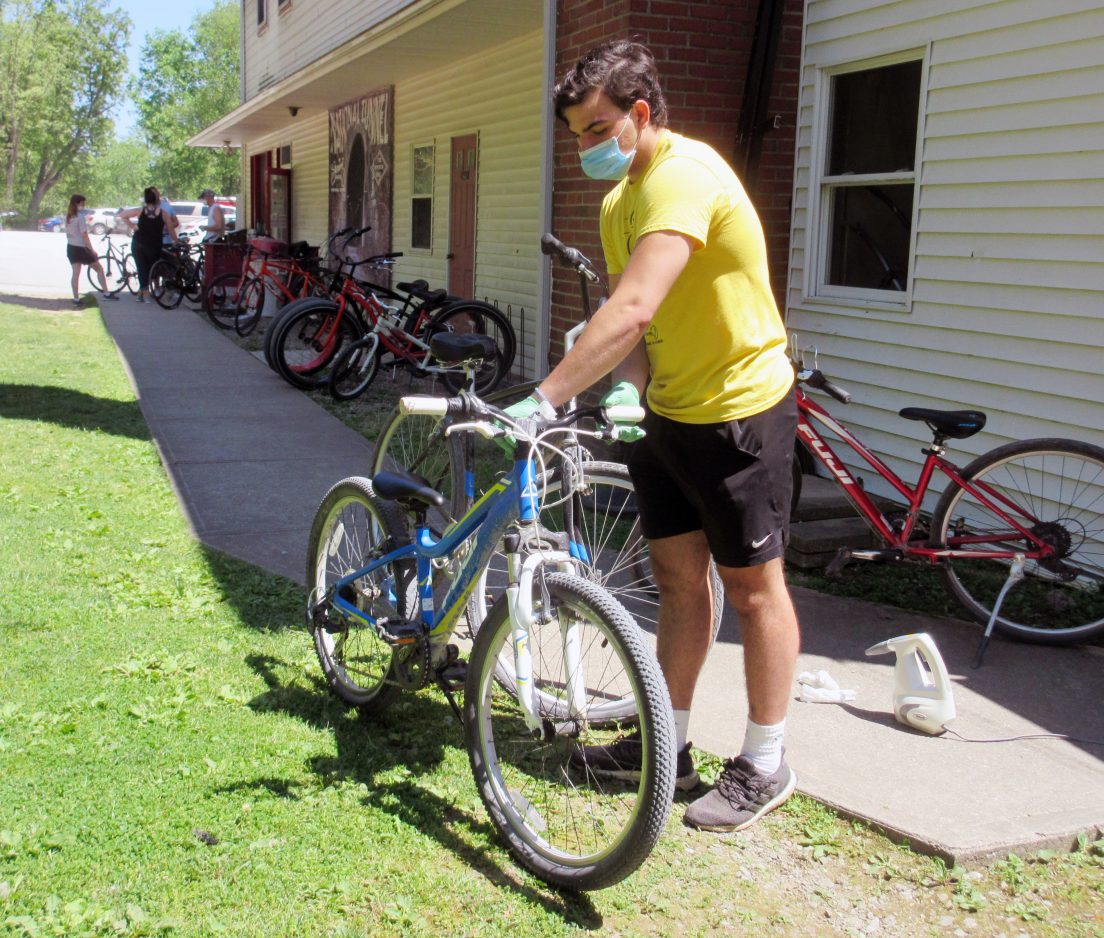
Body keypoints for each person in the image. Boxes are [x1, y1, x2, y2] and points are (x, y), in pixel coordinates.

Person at [508, 39, 801, 833]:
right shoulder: (619, 203)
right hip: (668, 416)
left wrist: (545, 397)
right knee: (677, 580)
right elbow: (639, 326)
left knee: (754, 589)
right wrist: (629, 388)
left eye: (597, 128)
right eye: (576, 134)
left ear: (640, 113)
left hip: (740, 413)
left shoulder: (684, 176)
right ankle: (663, 745)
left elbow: (632, 309)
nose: (585, 146)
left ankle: (765, 762)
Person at [117, 188, 179, 303]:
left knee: (142, 268)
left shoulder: (140, 211)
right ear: (156, 200)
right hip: (153, 245)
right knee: (150, 269)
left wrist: (133, 226)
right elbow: (171, 229)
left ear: (146, 200)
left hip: (138, 243)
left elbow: (123, 215)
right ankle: (146, 294)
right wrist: (176, 241)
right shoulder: (163, 213)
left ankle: (142, 293)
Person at [64, 194, 118, 306]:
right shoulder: (79, 217)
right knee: (99, 269)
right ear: (77, 203)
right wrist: (92, 250)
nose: (83, 206)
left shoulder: (68, 217)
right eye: (82, 203)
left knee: (75, 274)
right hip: (81, 248)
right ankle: (106, 293)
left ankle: (76, 299)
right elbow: (84, 235)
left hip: (71, 247)